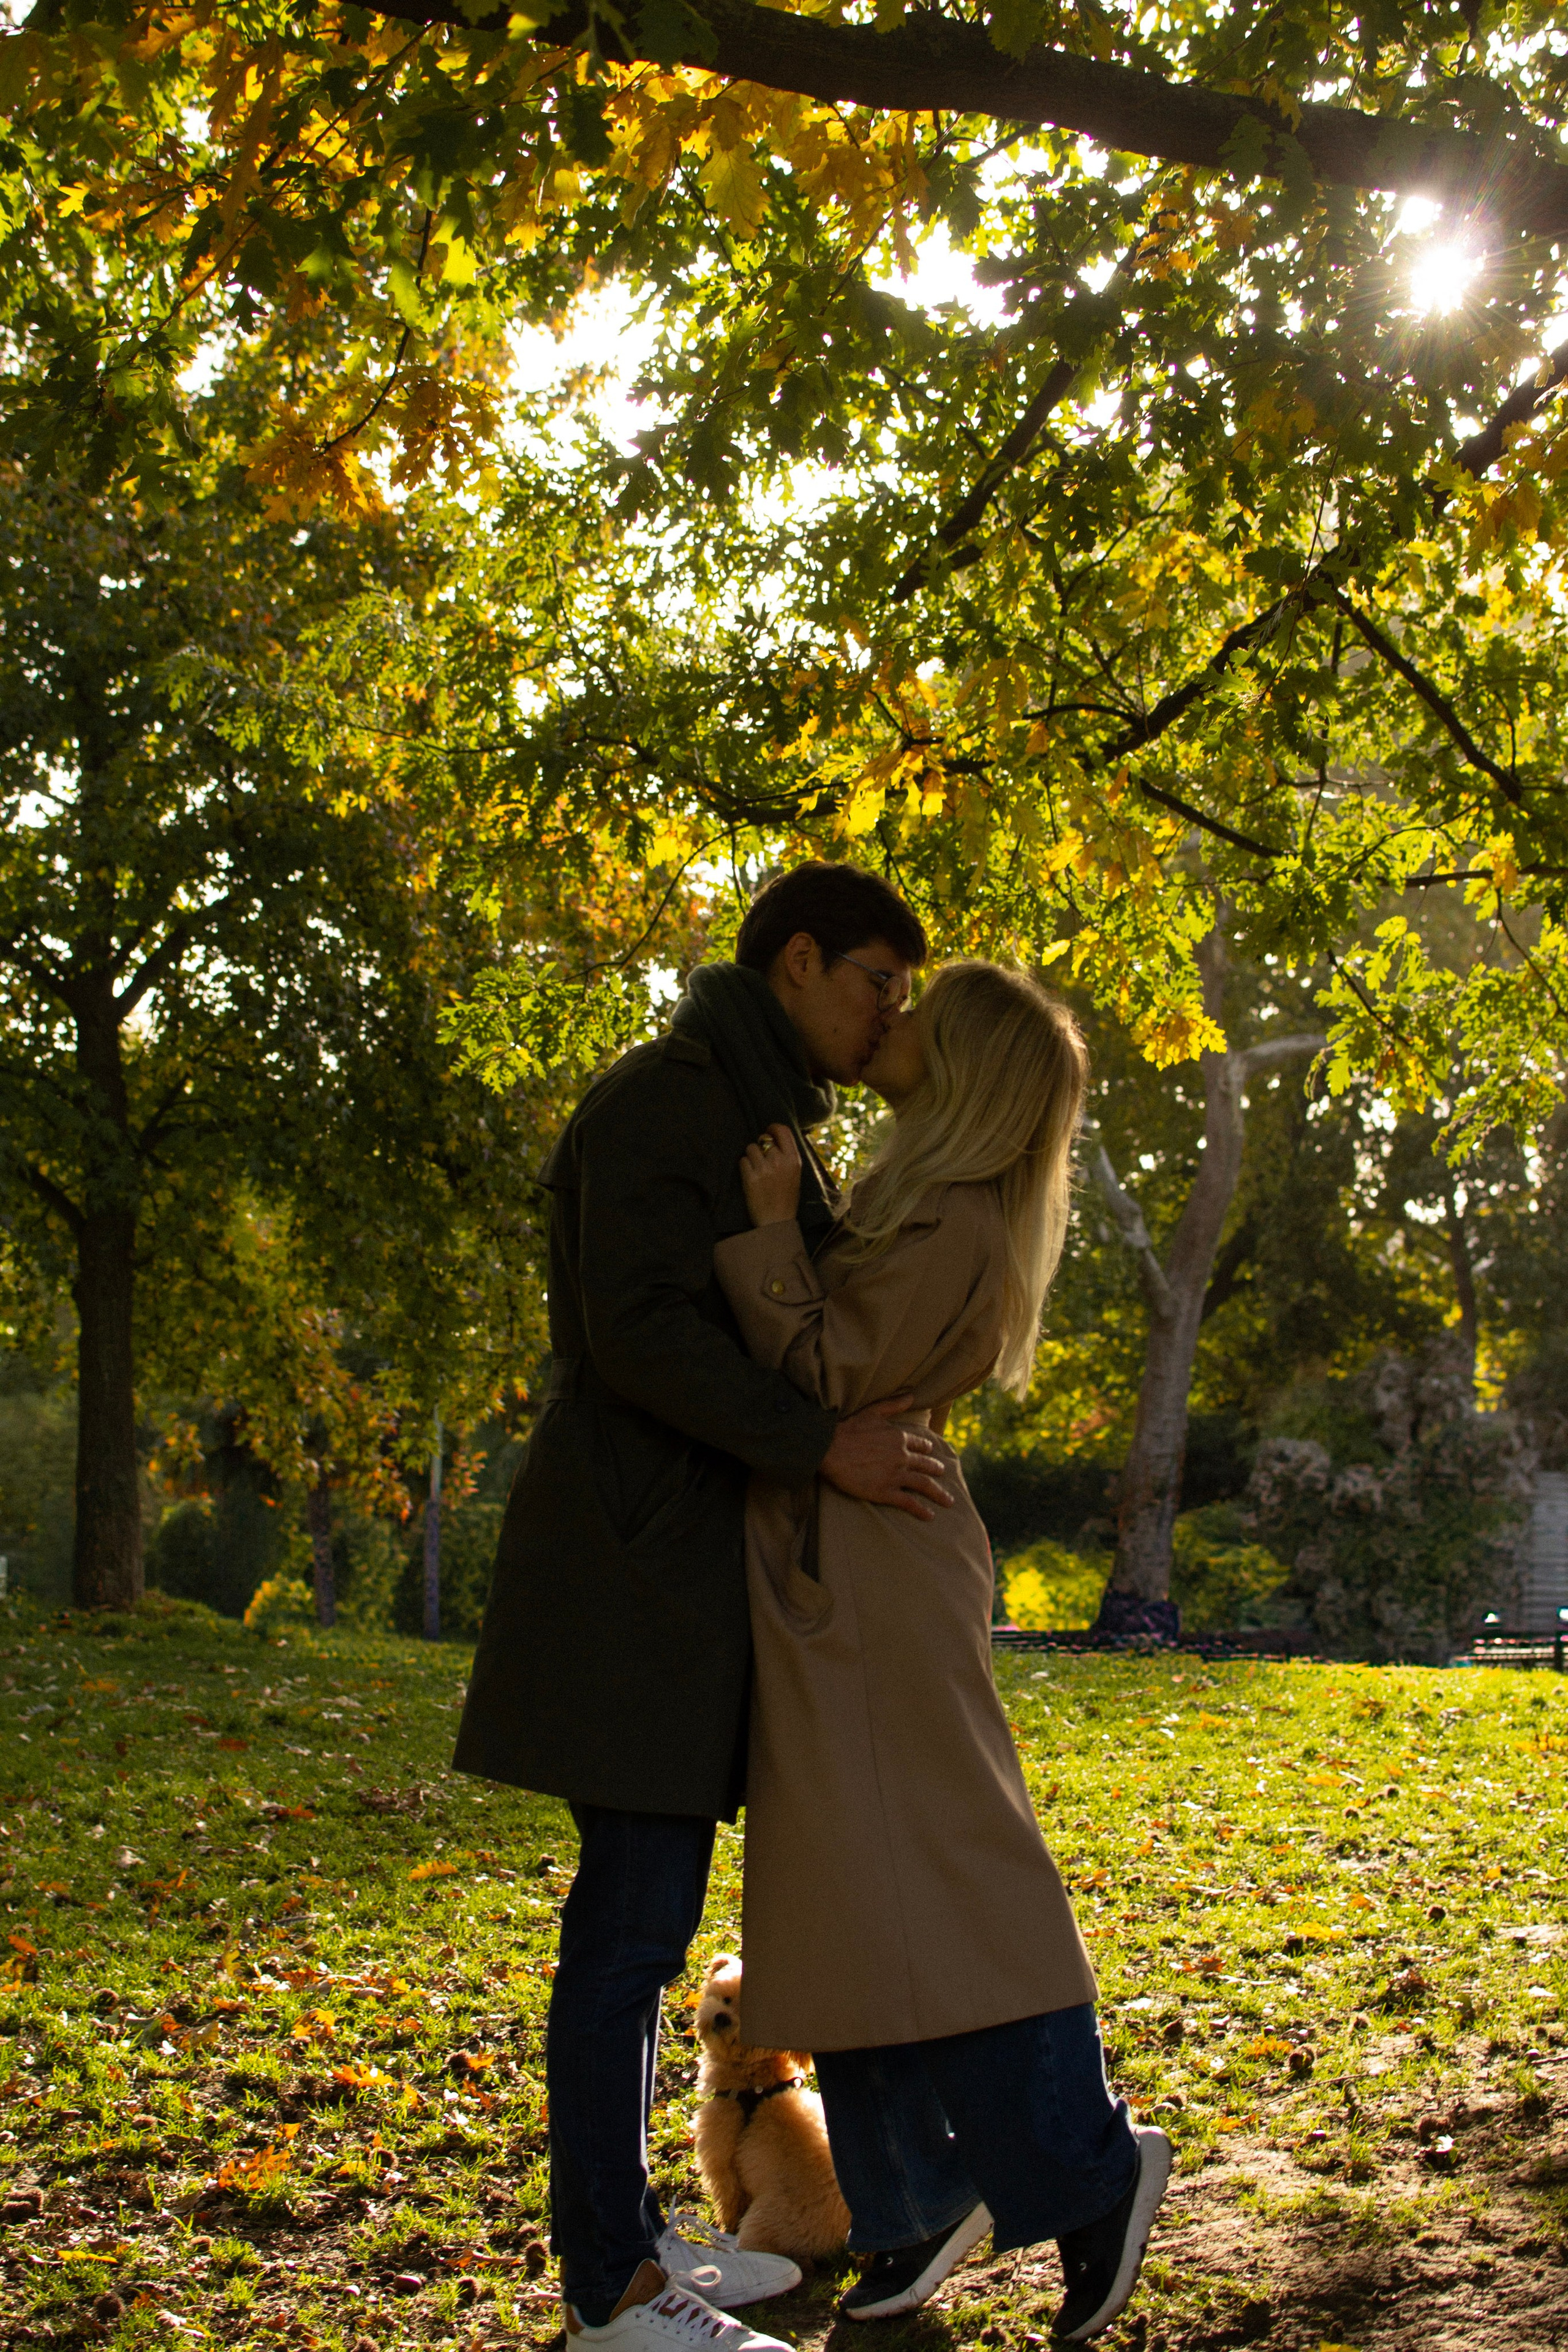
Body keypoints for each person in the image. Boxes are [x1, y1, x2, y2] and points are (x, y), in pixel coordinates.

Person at [453, 864, 960, 2352]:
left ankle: (634, 2243)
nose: (890, 1013)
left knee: (646, 1928)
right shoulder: (666, 1102)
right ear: (795, 961)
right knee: (625, 1933)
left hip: (683, 1571)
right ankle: (610, 2286)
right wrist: (823, 1446)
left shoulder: (755, 1114)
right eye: (876, 978)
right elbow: (639, 1336)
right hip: (631, 1574)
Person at [714, 961, 1171, 2345]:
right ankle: (909, 2205)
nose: (890, 1017)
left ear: (968, 1068)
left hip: (878, 1575)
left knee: (953, 1881)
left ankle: (1084, 2168)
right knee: (848, 1902)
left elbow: (829, 1377)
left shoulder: (959, 1217)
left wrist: (770, 1235)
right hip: (839, 1567)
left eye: (921, 1014)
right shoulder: (926, 1196)